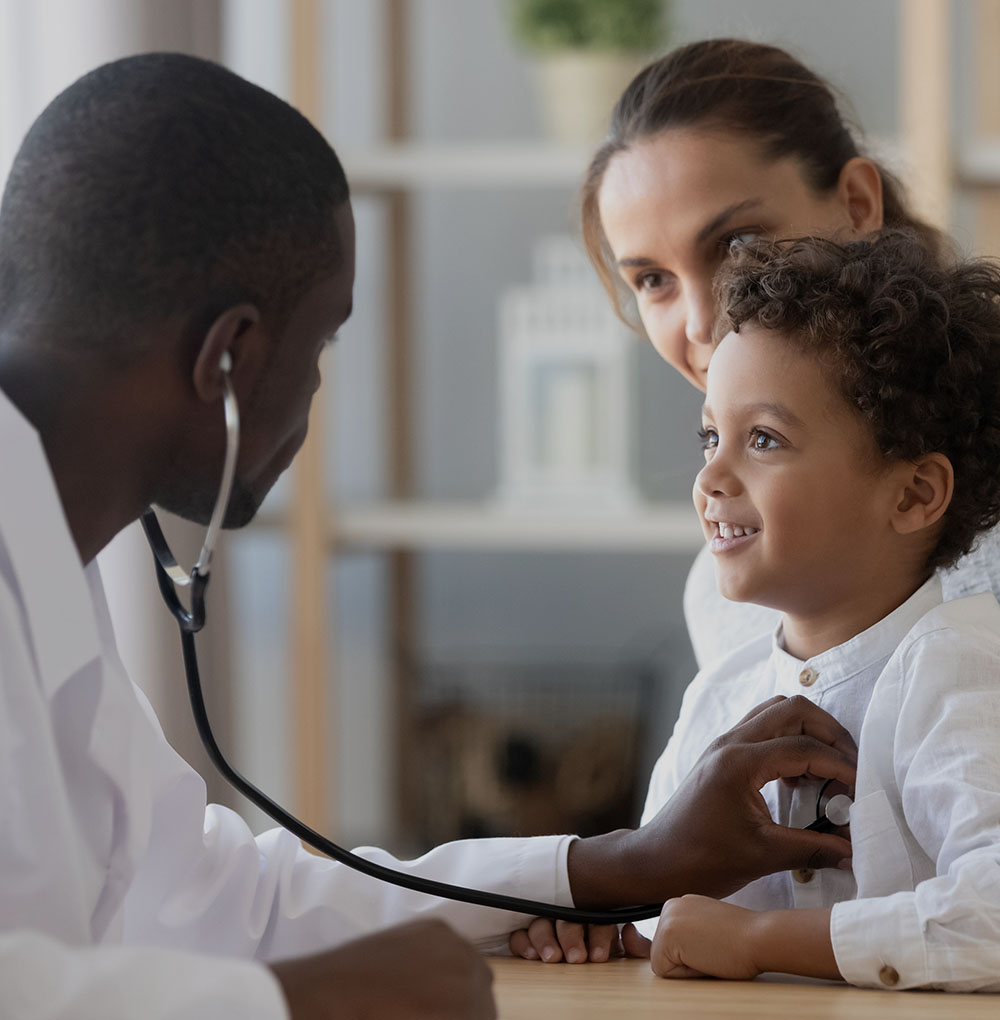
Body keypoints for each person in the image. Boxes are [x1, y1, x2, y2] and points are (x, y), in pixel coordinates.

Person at [0, 53, 859, 1020]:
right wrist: (299, 1003)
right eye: (321, 343)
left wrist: (624, 862)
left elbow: (216, 897)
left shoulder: (45, 571)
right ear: (231, 359)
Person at [510, 36, 1000, 966]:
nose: (700, 319)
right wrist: (618, 911)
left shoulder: (961, 638)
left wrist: (765, 936)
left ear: (858, 204)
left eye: (736, 244)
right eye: (651, 279)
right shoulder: (733, 606)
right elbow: (703, 880)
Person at [645, 231, 1000, 990]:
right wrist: (586, 926)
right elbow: (657, 903)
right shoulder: (723, 694)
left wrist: (765, 939)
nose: (711, 475)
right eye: (712, 434)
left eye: (763, 439)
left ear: (912, 495)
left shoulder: (959, 668)